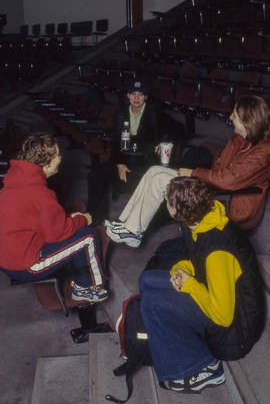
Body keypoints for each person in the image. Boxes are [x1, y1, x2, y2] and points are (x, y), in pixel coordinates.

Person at [139, 176, 265, 394]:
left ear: (178, 210)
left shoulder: (218, 252)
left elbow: (222, 316)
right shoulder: (200, 219)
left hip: (235, 331)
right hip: (214, 294)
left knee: (152, 303)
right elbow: (196, 257)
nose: (164, 203)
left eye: (167, 200)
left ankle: (205, 366)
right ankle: (176, 340)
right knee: (147, 279)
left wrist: (190, 285)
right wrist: (182, 269)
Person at [105, 94, 270, 247]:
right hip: (216, 189)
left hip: (230, 204)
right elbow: (218, 169)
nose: (230, 118)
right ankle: (124, 222)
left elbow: (227, 180)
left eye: (234, 115)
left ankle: (133, 232)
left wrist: (192, 173)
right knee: (155, 170)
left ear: (247, 120)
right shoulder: (238, 140)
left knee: (160, 179)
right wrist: (195, 177)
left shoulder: (263, 152)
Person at [0, 133, 108, 304]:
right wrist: (82, 220)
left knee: (75, 230)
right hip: (26, 266)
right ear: (46, 162)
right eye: (58, 154)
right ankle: (88, 288)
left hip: (8, 259)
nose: (60, 158)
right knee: (88, 236)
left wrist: (71, 219)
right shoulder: (40, 192)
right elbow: (57, 234)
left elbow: (39, 221)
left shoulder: (15, 181)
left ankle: (82, 281)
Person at [87, 79, 161, 221]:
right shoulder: (120, 113)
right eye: (133, 94)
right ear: (128, 96)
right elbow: (115, 142)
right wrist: (119, 164)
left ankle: (137, 222)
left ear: (146, 97)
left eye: (140, 95)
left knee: (141, 181)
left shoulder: (154, 112)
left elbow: (177, 130)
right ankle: (94, 219)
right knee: (95, 175)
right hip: (123, 157)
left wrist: (163, 142)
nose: (137, 98)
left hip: (144, 159)